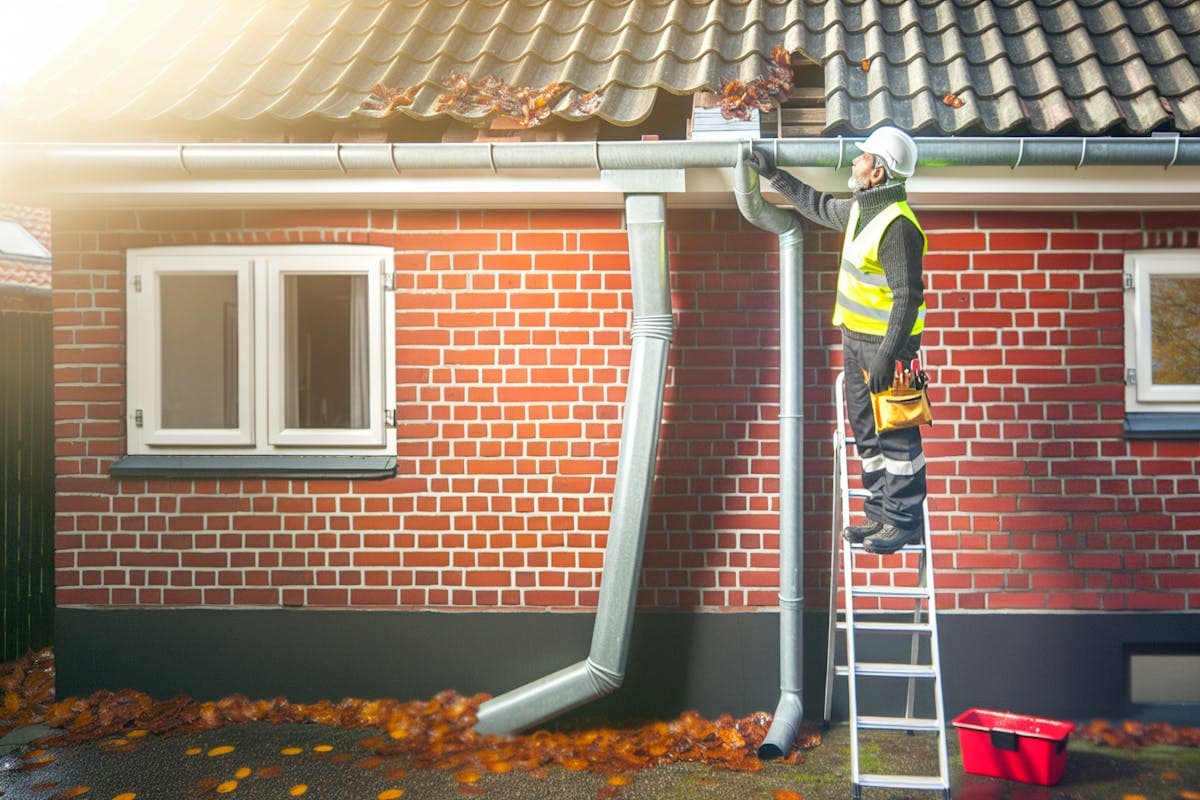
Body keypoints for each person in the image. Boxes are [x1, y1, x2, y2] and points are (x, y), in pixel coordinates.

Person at [748, 127, 928, 554]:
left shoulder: (898, 226)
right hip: (855, 342)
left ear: (879, 172)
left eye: (863, 157)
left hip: (894, 352)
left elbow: (908, 296)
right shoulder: (861, 210)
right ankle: (881, 514)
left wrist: (887, 354)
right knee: (867, 432)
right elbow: (818, 205)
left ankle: (903, 522)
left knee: (899, 436)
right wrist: (775, 176)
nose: (855, 161)